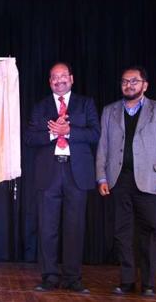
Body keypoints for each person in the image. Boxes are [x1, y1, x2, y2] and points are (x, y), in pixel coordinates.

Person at [95, 66, 156, 297]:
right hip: (118, 180)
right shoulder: (109, 111)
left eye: (134, 81)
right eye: (124, 81)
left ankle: (149, 283)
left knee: (149, 232)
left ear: (145, 85)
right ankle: (127, 280)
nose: (128, 85)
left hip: (151, 180)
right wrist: (101, 175)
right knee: (122, 233)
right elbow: (103, 146)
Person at [25, 62, 100, 294]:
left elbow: (96, 134)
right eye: (54, 77)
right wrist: (52, 133)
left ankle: (72, 278)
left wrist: (68, 131)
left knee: (74, 227)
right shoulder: (40, 107)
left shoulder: (86, 104)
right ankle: (49, 276)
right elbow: (29, 138)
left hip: (76, 173)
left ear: (72, 78)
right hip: (49, 174)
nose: (59, 80)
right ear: (50, 82)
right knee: (47, 228)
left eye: (63, 76)